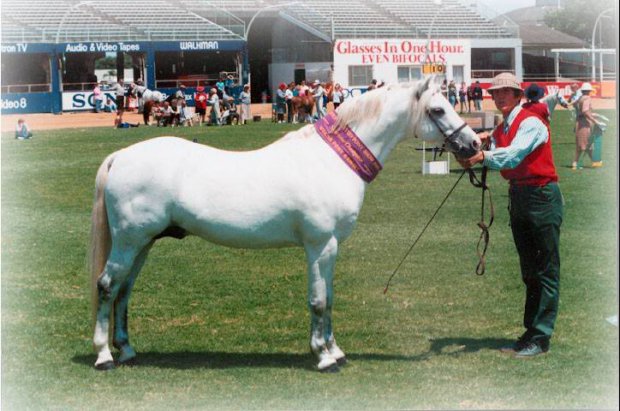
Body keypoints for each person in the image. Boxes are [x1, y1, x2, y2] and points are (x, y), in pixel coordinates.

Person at [457, 72, 563, 359]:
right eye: (496, 92)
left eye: (506, 91)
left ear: (518, 95)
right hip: (519, 196)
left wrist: (483, 157)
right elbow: (495, 147)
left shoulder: (530, 121)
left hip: (541, 196)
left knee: (545, 270)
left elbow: (514, 155)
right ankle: (532, 333)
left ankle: (540, 337)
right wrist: (478, 149)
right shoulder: (504, 126)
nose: (499, 96)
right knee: (530, 271)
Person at [573, 82, 598, 169]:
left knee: (580, 144)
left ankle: (575, 163)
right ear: (589, 91)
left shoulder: (580, 98)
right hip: (584, 124)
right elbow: (585, 111)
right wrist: (593, 120)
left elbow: (574, 105)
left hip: (579, 122)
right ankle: (594, 161)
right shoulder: (587, 98)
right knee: (588, 143)